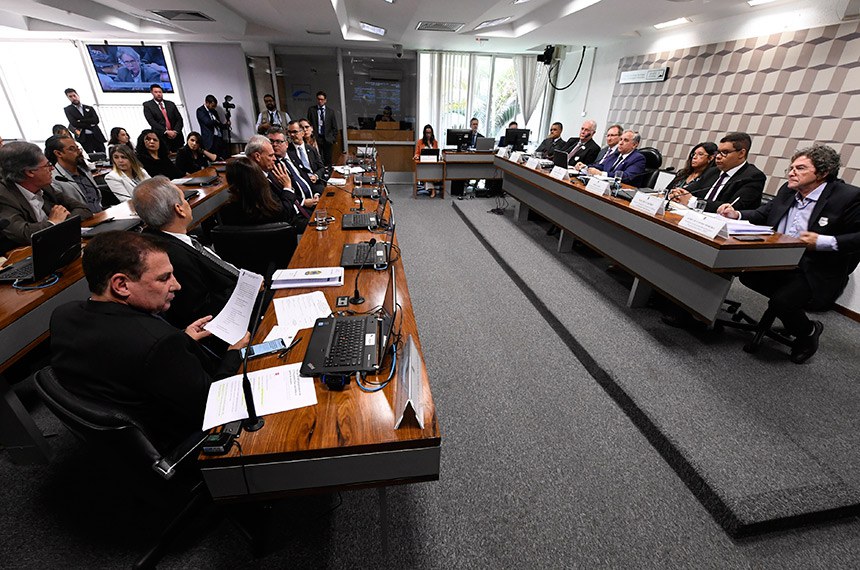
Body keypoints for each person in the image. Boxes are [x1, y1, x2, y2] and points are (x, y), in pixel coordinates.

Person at [49, 230, 248, 450]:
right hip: (178, 441)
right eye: (164, 278)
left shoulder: (63, 315)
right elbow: (214, 404)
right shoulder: (159, 343)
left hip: (117, 447)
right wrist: (234, 354)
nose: (177, 285)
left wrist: (182, 340)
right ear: (121, 285)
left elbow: (123, 354)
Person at [717, 145, 860, 364]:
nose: (791, 173)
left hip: (816, 268)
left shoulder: (847, 197)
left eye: (800, 168)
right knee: (738, 269)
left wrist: (821, 241)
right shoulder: (788, 190)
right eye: (791, 168)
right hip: (778, 259)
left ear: (822, 172)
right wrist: (735, 214)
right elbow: (763, 213)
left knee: (782, 302)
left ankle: (809, 332)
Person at [132, 177, 240, 330]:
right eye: (184, 199)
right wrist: (246, 289)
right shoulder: (171, 257)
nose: (187, 203)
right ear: (179, 209)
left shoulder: (156, 238)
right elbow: (204, 309)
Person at [0, 141, 92, 253]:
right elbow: (24, 234)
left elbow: (83, 209)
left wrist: (61, 223)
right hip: (25, 255)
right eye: (47, 165)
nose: (52, 168)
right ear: (30, 172)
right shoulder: (3, 196)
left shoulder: (45, 186)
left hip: (58, 246)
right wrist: (52, 223)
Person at [669, 132, 765, 213]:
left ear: (741, 153)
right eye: (718, 152)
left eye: (725, 152)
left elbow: (732, 208)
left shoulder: (753, 177)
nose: (718, 156)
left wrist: (693, 201)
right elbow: (690, 190)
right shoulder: (713, 171)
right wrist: (678, 193)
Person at [249, 133, 310, 233]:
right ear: (257, 156)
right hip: (287, 226)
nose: (274, 158)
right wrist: (287, 187)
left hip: (297, 213)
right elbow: (283, 213)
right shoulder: (255, 181)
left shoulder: (270, 172)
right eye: (271, 155)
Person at [220, 157, 295, 226]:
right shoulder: (272, 207)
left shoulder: (226, 213)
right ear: (259, 177)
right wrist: (287, 187)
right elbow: (285, 212)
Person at [44, 135, 103, 213]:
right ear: (58, 153)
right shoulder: (54, 179)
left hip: (101, 214)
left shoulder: (85, 171)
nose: (79, 152)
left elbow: (97, 200)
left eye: (77, 148)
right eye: (72, 149)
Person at [575, 129, 646, 184]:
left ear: (634, 145)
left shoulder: (638, 158)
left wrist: (601, 174)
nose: (620, 143)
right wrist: (585, 167)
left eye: (626, 140)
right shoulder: (616, 154)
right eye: (620, 139)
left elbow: (626, 176)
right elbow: (602, 166)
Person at [286, 120, 326, 194]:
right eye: (289, 132)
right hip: (300, 186)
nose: (292, 135)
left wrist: (316, 176)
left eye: (295, 132)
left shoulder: (311, 149)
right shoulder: (287, 152)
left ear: (302, 133)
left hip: (315, 183)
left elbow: (321, 167)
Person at [62, 88, 106, 153]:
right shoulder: (68, 109)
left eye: (74, 95)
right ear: (68, 98)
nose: (73, 98)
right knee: (89, 155)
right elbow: (74, 123)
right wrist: (90, 124)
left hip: (96, 135)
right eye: (70, 96)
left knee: (102, 153)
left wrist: (81, 120)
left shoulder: (89, 108)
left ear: (78, 95)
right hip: (83, 137)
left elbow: (96, 120)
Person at [143, 84, 184, 152]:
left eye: (160, 92)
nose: (158, 94)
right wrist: (166, 131)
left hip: (176, 137)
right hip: (161, 137)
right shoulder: (148, 105)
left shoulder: (171, 104)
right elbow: (152, 121)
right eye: (156, 92)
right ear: (152, 93)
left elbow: (179, 119)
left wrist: (175, 131)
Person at [307, 90, 338, 166]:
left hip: (327, 138)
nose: (320, 101)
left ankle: (328, 171)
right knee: (318, 158)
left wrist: (333, 139)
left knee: (328, 159)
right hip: (317, 138)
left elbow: (334, 127)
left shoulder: (330, 112)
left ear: (325, 100)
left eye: (322, 99)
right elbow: (309, 124)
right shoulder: (312, 110)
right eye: (318, 99)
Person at [414, 124, 440, 198]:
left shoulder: (435, 142)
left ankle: (431, 188)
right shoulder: (420, 142)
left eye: (430, 133)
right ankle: (432, 189)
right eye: (427, 133)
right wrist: (416, 156)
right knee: (426, 172)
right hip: (423, 164)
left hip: (433, 164)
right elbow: (417, 153)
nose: (428, 134)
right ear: (424, 133)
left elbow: (436, 153)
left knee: (431, 171)